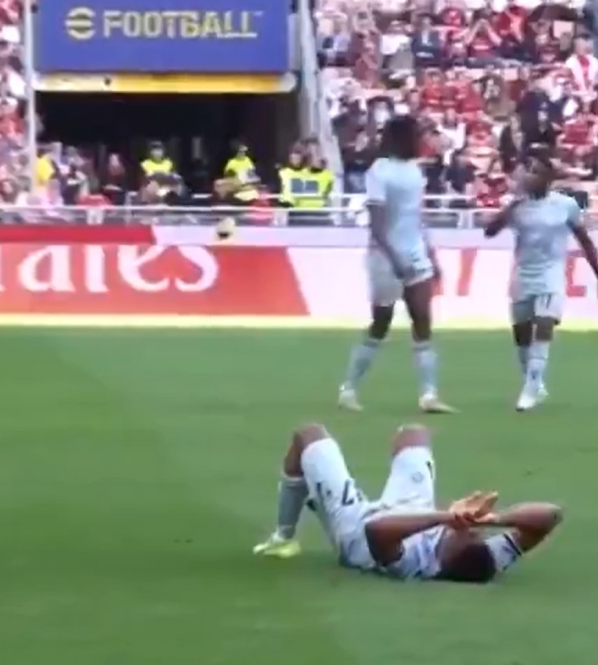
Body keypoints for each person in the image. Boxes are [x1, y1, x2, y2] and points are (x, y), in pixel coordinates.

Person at [252, 423, 563, 582]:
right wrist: (496, 520)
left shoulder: (415, 565)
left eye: (466, 537)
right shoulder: (487, 560)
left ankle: (283, 537)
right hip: (415, 511)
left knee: (308, 435)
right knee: (413, 435)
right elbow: (551, 515)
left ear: (445, 559)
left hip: (356, 526)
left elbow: (377, 529)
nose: (473, 532)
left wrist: (447, 518)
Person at [338, 116, 455, 413]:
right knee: (381, 323)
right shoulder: (379, 171)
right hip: (385, 258)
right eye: (417, 134)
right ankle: (348, 389)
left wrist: (431, 255)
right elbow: (377, 226)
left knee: (423, 321)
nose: (422, 140)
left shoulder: (415, 171)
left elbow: (417, 219)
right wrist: (395, 259)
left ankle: (429, 395)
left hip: (416, 254)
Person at [483, 155, 598, 411]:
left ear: (548, 178)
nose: (528, 176)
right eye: (527, 171)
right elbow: (489, 232)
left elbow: (585, 240)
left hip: (551, 275)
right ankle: (534, 382)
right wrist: (510, 208)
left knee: (544, 327)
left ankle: (530, 391)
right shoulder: (517, 205)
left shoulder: (565, 205)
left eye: (534, 171)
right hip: (523, 275)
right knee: (522, 335)